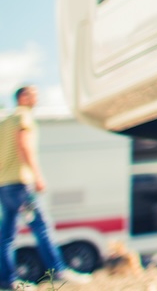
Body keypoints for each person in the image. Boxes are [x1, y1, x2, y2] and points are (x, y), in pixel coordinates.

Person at [0, 86, 90, 288]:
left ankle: (6, 280)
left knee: (6, 236)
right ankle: (58, 270)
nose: (37, 99)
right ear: (22, 97)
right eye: (33, 95)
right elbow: (24, 144)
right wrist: (37, 175)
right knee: (41, 227)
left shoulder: (4, 120)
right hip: (22, 184)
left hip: (5, 185)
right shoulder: (23, 116)